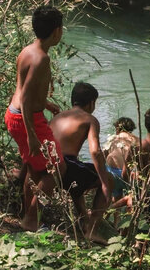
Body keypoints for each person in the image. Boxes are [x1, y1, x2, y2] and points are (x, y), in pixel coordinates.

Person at [4, 5, 65, 232]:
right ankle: (32, 219)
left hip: (15, 114)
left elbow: (22, 89)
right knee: (57, 168)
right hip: (27, 119)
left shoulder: (28, 50)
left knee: (34, 168)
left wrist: (45, 103)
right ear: (57, 31)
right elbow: (27, 97)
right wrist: (31, 134)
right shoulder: (41, 59)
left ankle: (26, 216)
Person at [49, 82, 111, 244]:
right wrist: (104, 181)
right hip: (66, 165)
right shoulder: (89, 119)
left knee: (80, 172)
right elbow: (95, 151)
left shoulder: (58, 117)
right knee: (108, 179)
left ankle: (83, 218)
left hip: (49, 166)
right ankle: (91, 231)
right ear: (91, 102)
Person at [104, 117, 139, 226]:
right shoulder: (136, 140)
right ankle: (128, 225)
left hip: (113, 172)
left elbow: (104, 155)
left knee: (116, 197)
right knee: (131, 198)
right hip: (129, 173)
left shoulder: (113, 139)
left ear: (118, 128)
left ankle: (116, 222)